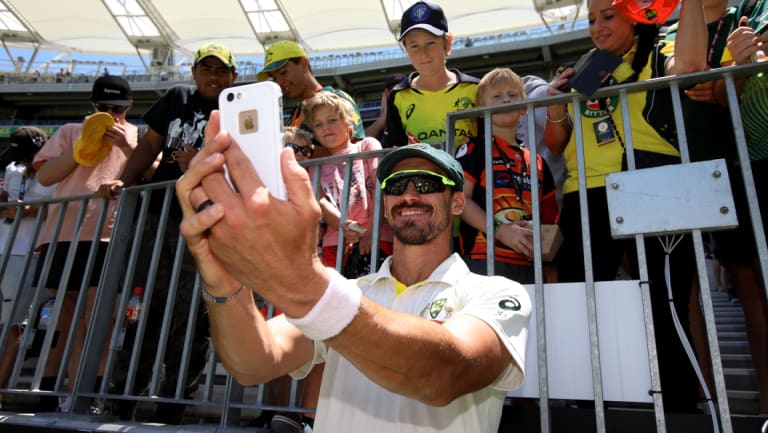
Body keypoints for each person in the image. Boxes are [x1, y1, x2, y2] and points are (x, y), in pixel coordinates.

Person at [175, 126, 531, 432]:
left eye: (426, 183)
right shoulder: (348, 293)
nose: (409, 194)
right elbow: (252, 363)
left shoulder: (496, 293)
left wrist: (306, 284)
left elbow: (445, 374)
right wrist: (224, 283)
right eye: (395, 185)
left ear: (456, 203)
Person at [544, 0, 707, 413]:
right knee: (583, 308)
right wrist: (556, 108)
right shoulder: (584, 66)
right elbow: (556, 144)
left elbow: (689, 68)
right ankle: (587, 410)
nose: (597, 27)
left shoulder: (655, 52)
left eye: (608, 16)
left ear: (635, 15)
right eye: (592, 19)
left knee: (665, 303)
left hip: (652, 185)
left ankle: (682, 411)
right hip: (584, 195)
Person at [97, 42, 238, 423]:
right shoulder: (176, 97)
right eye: (206, 69)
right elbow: (150, 144)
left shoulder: (237, 110)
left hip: (208, 223)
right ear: (194, 73)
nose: (213, 76)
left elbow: (245, 167)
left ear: (233, 76)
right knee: (140, 305)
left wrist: (203, 164)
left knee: (191, 312)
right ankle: (123, 393)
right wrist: (124, 181)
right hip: (159, 218)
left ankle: (175, 399)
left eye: (221, 70)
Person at [31, 75, 138, 410]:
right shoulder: (67, 132)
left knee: (100, 315)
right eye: (102, 108)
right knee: (62, 315)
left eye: (117, 109)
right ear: (92, 105)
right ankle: (47, 388)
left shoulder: (137, 136)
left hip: (108, 234)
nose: (110, 115)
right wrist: (85, 146)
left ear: (128, 107)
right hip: (63, 233)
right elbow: (46, 176)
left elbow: (147, 171)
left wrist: (124, 146)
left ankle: (87, 392)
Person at [456, 68, 559, 284]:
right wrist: (500, 231)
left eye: (512, 95)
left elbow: (550, 218)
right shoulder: (473, 149)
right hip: (482, 261)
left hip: (529, 264)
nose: (505, 100)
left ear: (523, 106)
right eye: (496, 96)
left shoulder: (538, 160)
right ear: (481, 108)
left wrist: (546, 253)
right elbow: (461, 200)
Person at [716, 0, 768, 411]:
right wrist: (734, 65)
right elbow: (715, 93)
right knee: (752, 289)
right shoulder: (736, 15)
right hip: (745, 166)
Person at [302, 91, 392, 275]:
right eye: (318, 125)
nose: (325, 127)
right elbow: (322, 202)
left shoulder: (367, 146)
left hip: (378, 235)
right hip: (335, 242)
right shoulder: (315, 167)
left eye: (332, 120)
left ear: (349, 122)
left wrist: (371, 232)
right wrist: (342, 224)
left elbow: (380, 188)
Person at [0, 127, 56, 405]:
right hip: (3, 247)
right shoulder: (12, 169)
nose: (22, 162)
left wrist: (26, 209)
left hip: (27, 253)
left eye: (26, 157)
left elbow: (55, 209)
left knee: (12, 324)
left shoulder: (53, 172)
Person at [382, 1, 479, 150]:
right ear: (406, 49)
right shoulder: (398, 96)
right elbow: (394, 150)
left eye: (431, 42)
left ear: (447, 43)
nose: (423, 53)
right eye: (414, 45)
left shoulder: (475, 89)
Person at [256, 40, 365, 146]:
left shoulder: (336, 98)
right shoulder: (296, 113)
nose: (279, 82)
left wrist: (304, 152)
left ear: (304, 64)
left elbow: (355, 148)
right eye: (274, 78)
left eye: (283, 72)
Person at [364, 73, 405, 141]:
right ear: (386, 93)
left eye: (402, 90)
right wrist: (383, 118)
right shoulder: (383, 124)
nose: (398, 94)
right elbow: (361, 145)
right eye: (393, 90)